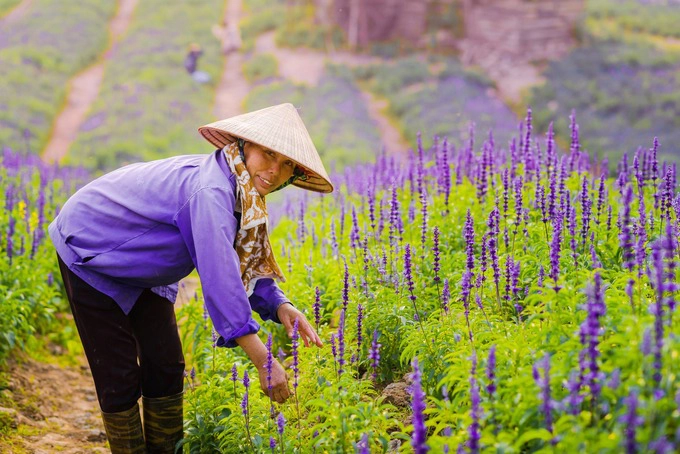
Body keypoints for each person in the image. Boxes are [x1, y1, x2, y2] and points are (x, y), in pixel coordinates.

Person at [48, 103, 333, 453]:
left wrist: (279, 305)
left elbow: (243, 258)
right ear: (244, 145)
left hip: (144, 263)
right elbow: (220, 278)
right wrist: (264, 360)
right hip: (94, 246)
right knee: (118, 374)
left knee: (166, 364)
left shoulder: (245, 192)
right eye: (268, 154)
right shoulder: (213, 192)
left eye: (287, 164)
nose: (274, 171)